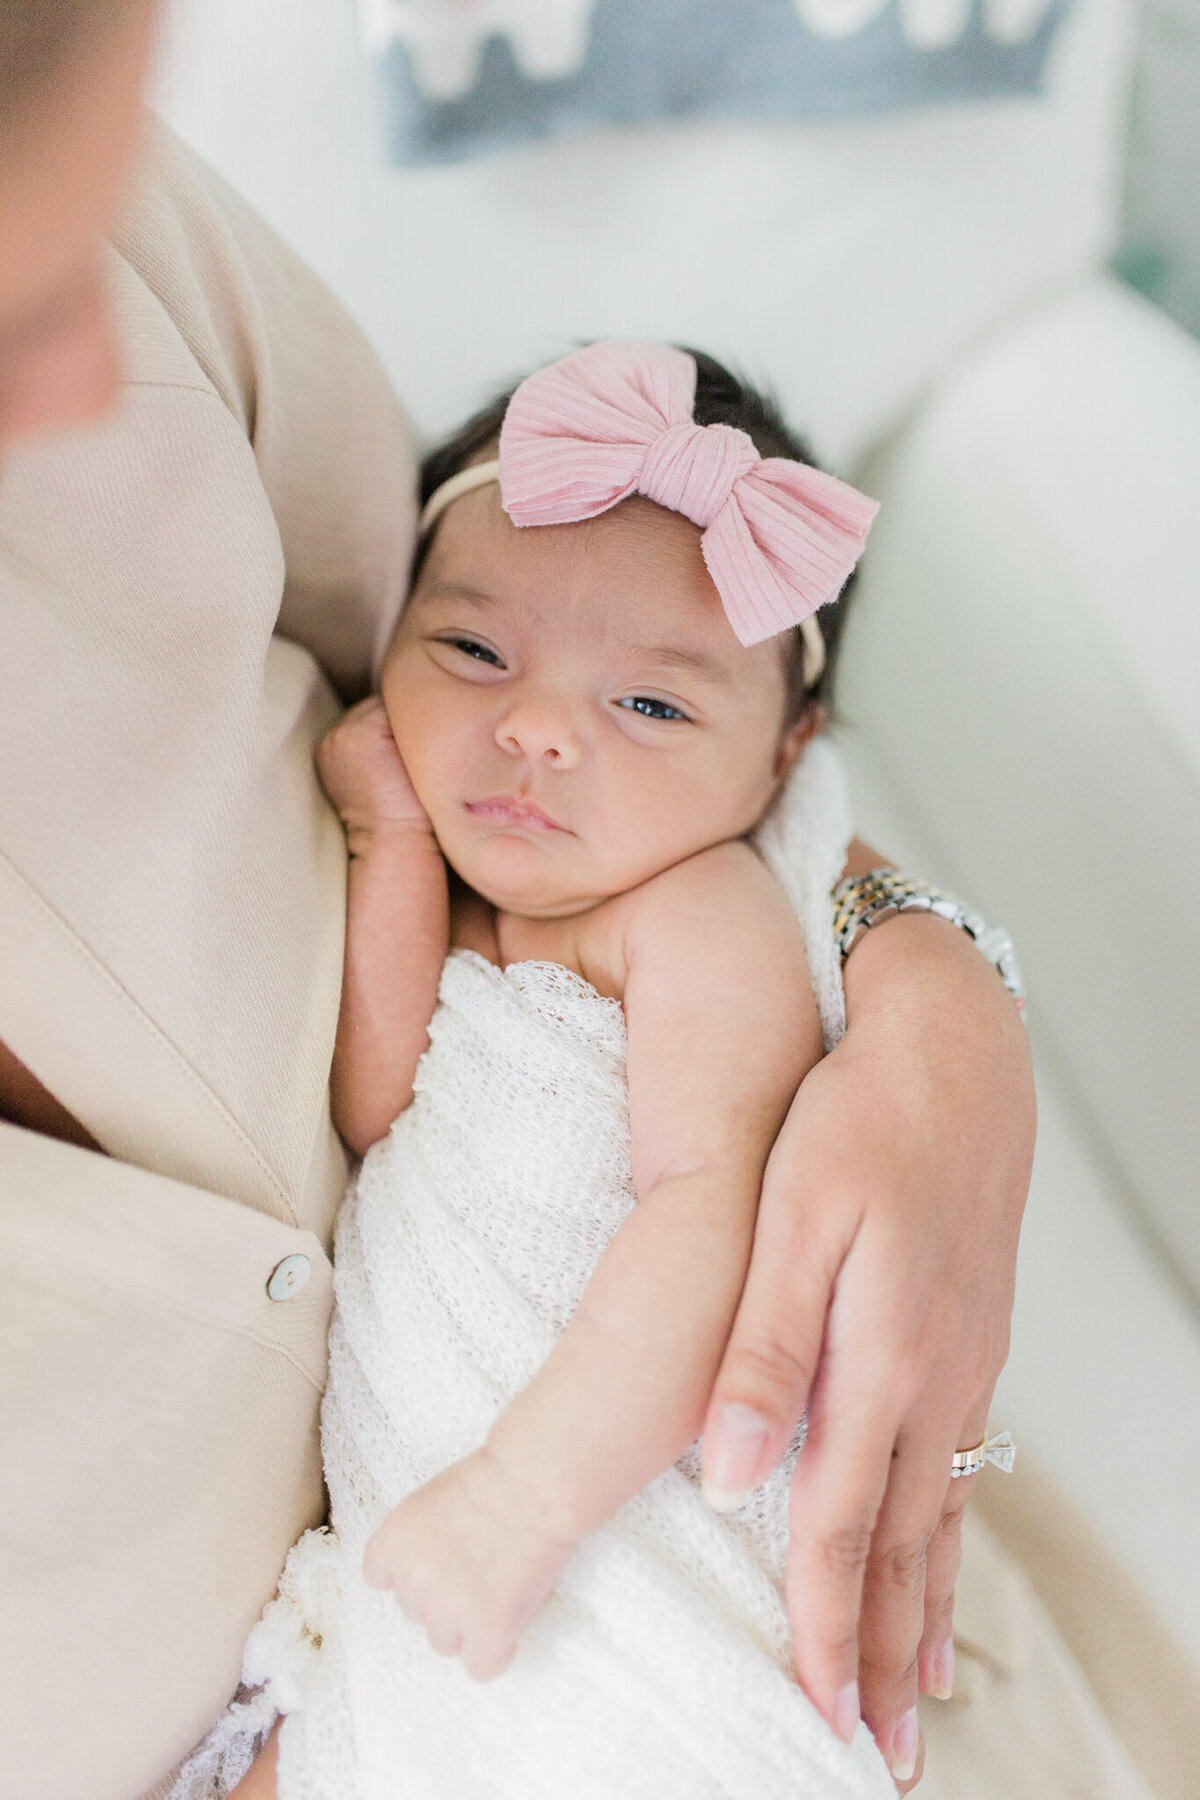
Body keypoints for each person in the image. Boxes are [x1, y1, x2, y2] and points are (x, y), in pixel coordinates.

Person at [2, 8, 1193, 1800]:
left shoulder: (699, 917)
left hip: (592, 1534)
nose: (534, 730)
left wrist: (934, 982)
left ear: (787, 763)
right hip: (372, 1666)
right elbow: (383, 1095)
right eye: (469, 653)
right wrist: (398, 845)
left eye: (649, 706)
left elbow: (698, 1214)